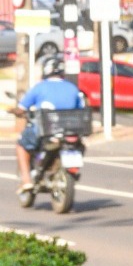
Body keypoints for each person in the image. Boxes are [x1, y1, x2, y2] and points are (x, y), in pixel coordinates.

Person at [12, 56, 85, 193]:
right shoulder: (73, 88)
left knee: (21, 145)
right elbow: (81, 109)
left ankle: (26, 180)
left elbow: (22, 108)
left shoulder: (39, 88)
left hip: (46, 131)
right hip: (69, 131)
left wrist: (14, 111)